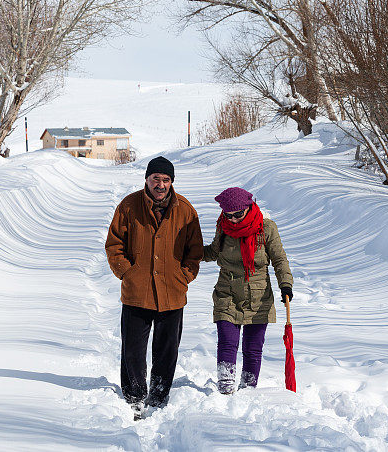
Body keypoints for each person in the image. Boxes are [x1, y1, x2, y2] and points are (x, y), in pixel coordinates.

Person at [105, 156, 203, 417]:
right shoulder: (128, 206)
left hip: (172, 291)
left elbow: (194, 251)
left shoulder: (185, 209)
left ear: (172, 182)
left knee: (167, 349)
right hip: (137, 292)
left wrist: (185, 275)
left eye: (166, 180)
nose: (161, 185)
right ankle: (134, 395)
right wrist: (128, 273)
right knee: (133, 349)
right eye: (156, 179)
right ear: (147, 179)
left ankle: (159, 395)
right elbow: (114, 245)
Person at [203, 187, 293, 394]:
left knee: (252, 349)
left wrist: (285, 284)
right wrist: (189, 250)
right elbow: (213, 252)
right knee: (227, 342)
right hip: (227, 292)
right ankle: (225, 391)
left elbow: (279, 259)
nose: (233, 220)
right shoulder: (223, 227)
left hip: (258, 295)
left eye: (237, 215)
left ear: (248, 207)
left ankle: (248, 391)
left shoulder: (266, 228)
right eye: (228, 215)